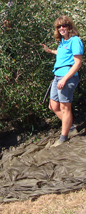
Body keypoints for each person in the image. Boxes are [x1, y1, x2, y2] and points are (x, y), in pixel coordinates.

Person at [42, 16, 84, 147]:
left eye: (64, 25)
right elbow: (62, 54)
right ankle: (70, 127)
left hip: (67, 77)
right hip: (57, 76)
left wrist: (65, 78)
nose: (61, 28)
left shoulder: (75, 41)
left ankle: (63, 138)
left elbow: (77, 63)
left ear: (69, 26)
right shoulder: (62, 42)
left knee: (65, 108)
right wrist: (50, 51)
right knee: (53, 106)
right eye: (59, 26)